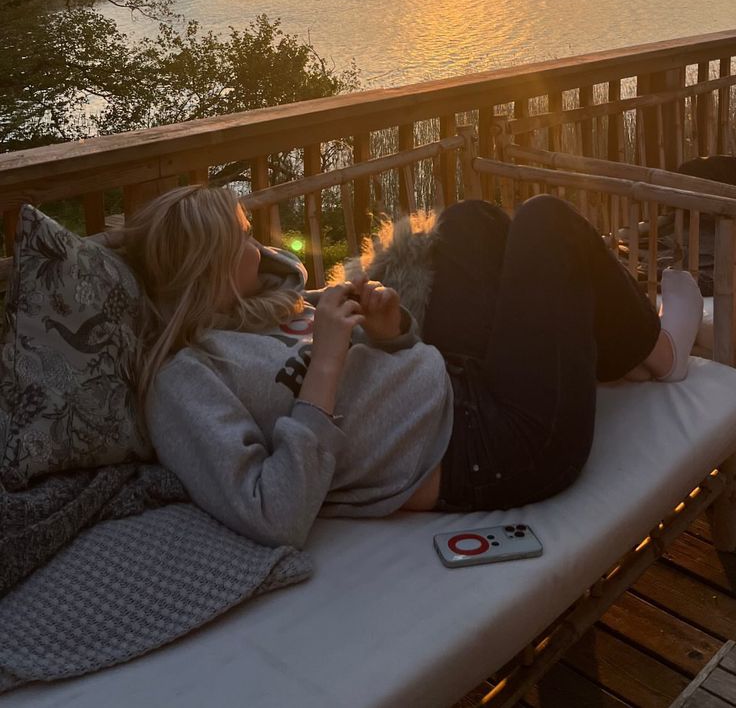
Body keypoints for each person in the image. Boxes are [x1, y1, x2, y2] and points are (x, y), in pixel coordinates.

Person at [124, 186, 704, 549]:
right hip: (491, 451)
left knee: (471, 219)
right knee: (546, 220)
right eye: (245, 240)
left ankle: (603, 352)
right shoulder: (182, 384)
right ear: (213, 269)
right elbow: (274, 512)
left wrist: (390, 334)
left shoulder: (253, 315)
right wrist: (327, 356)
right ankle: (663, 355)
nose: (261, 249)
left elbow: (366, 393)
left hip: (455, 381)